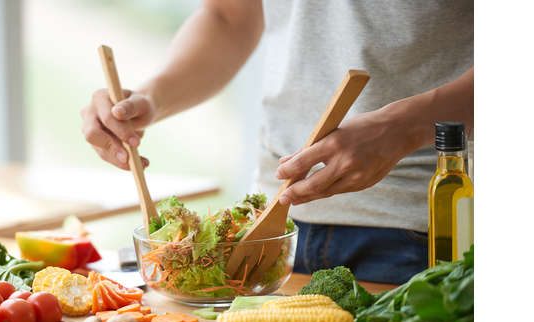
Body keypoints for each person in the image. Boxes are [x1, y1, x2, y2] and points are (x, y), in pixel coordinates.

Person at [80, 0, 473, 285]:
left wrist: (407, 126)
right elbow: (229, 17)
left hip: (424, 227)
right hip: (270, 230)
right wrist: (151, 98)